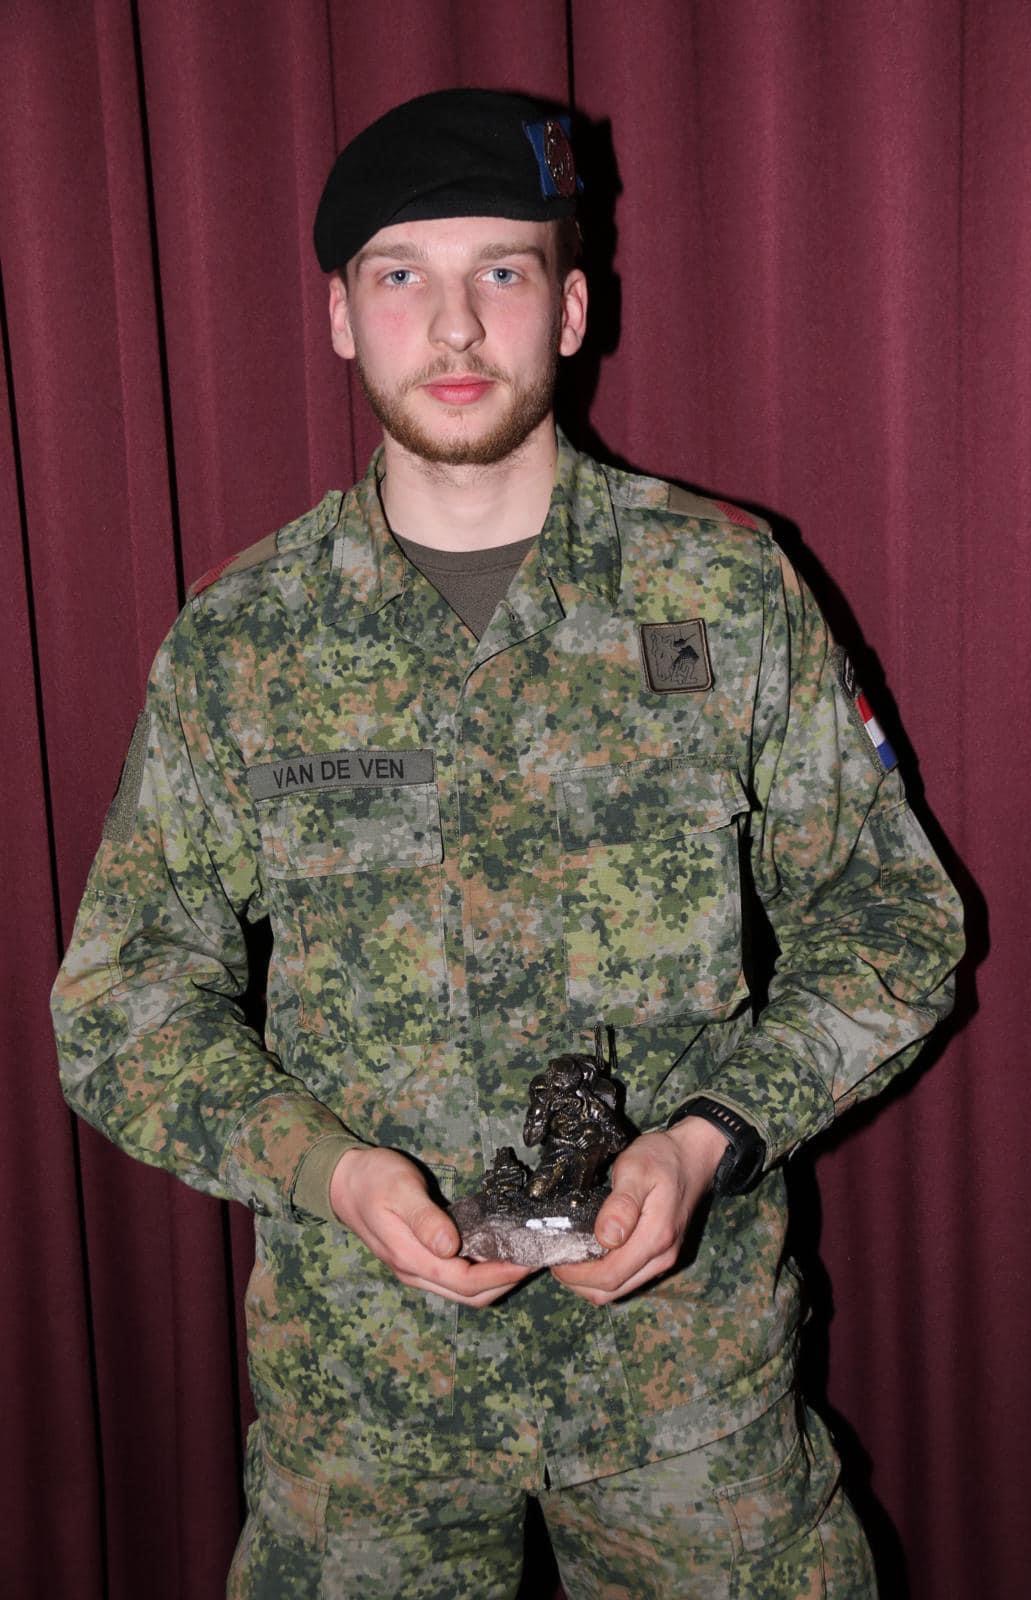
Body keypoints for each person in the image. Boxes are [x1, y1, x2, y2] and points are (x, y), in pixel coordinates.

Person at [52, 88, 965, 1598]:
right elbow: (121, 1006)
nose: (455, 325)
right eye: (400, 274)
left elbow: (895, 922)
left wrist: (710, 1140)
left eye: (501, 270)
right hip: (369, 1410)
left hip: (685, 1402)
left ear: (573, 306)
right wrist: (332, 1174)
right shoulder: (244, 642)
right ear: (340, 317)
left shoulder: (725, 592)